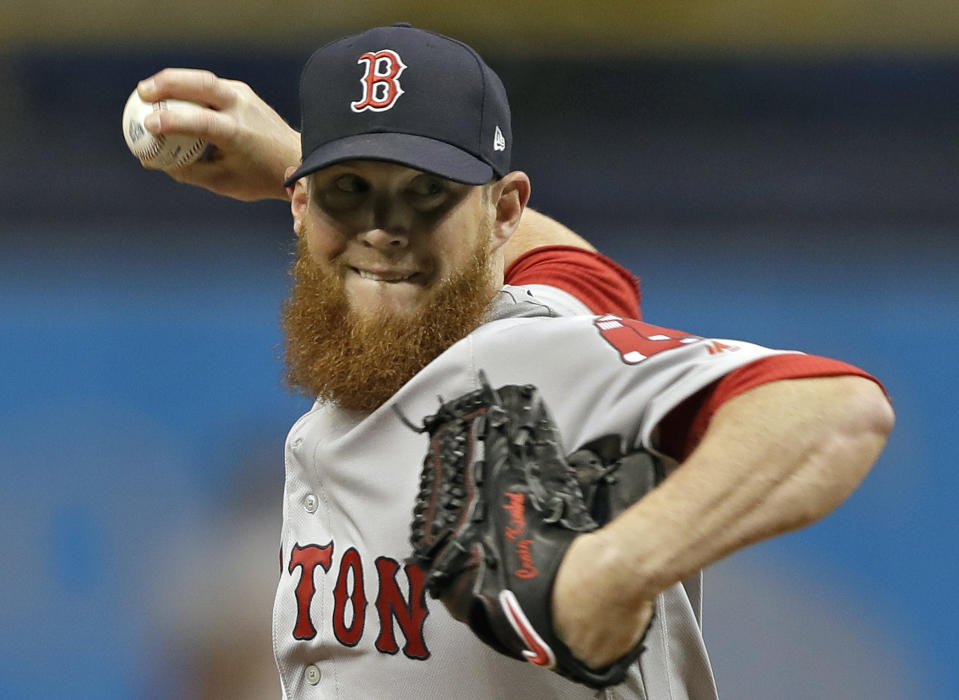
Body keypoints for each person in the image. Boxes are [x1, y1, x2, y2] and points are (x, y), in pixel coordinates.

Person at [135, 24, 893, 700]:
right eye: (347, 190)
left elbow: (833, 410)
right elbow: (584, 274)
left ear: (502, 212)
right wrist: (289, 159)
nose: (382, 227)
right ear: (300, 207)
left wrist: (619, 567)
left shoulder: (528, 359)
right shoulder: (520, 318)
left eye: (427, 192)